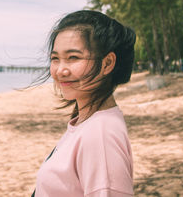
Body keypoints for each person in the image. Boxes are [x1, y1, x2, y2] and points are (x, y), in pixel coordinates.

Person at [32, 10, 136, 197]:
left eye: (73, 58)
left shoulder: (101, 134)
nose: (60, 70)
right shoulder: (86, 122)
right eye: (55, 58)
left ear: (107, 63)